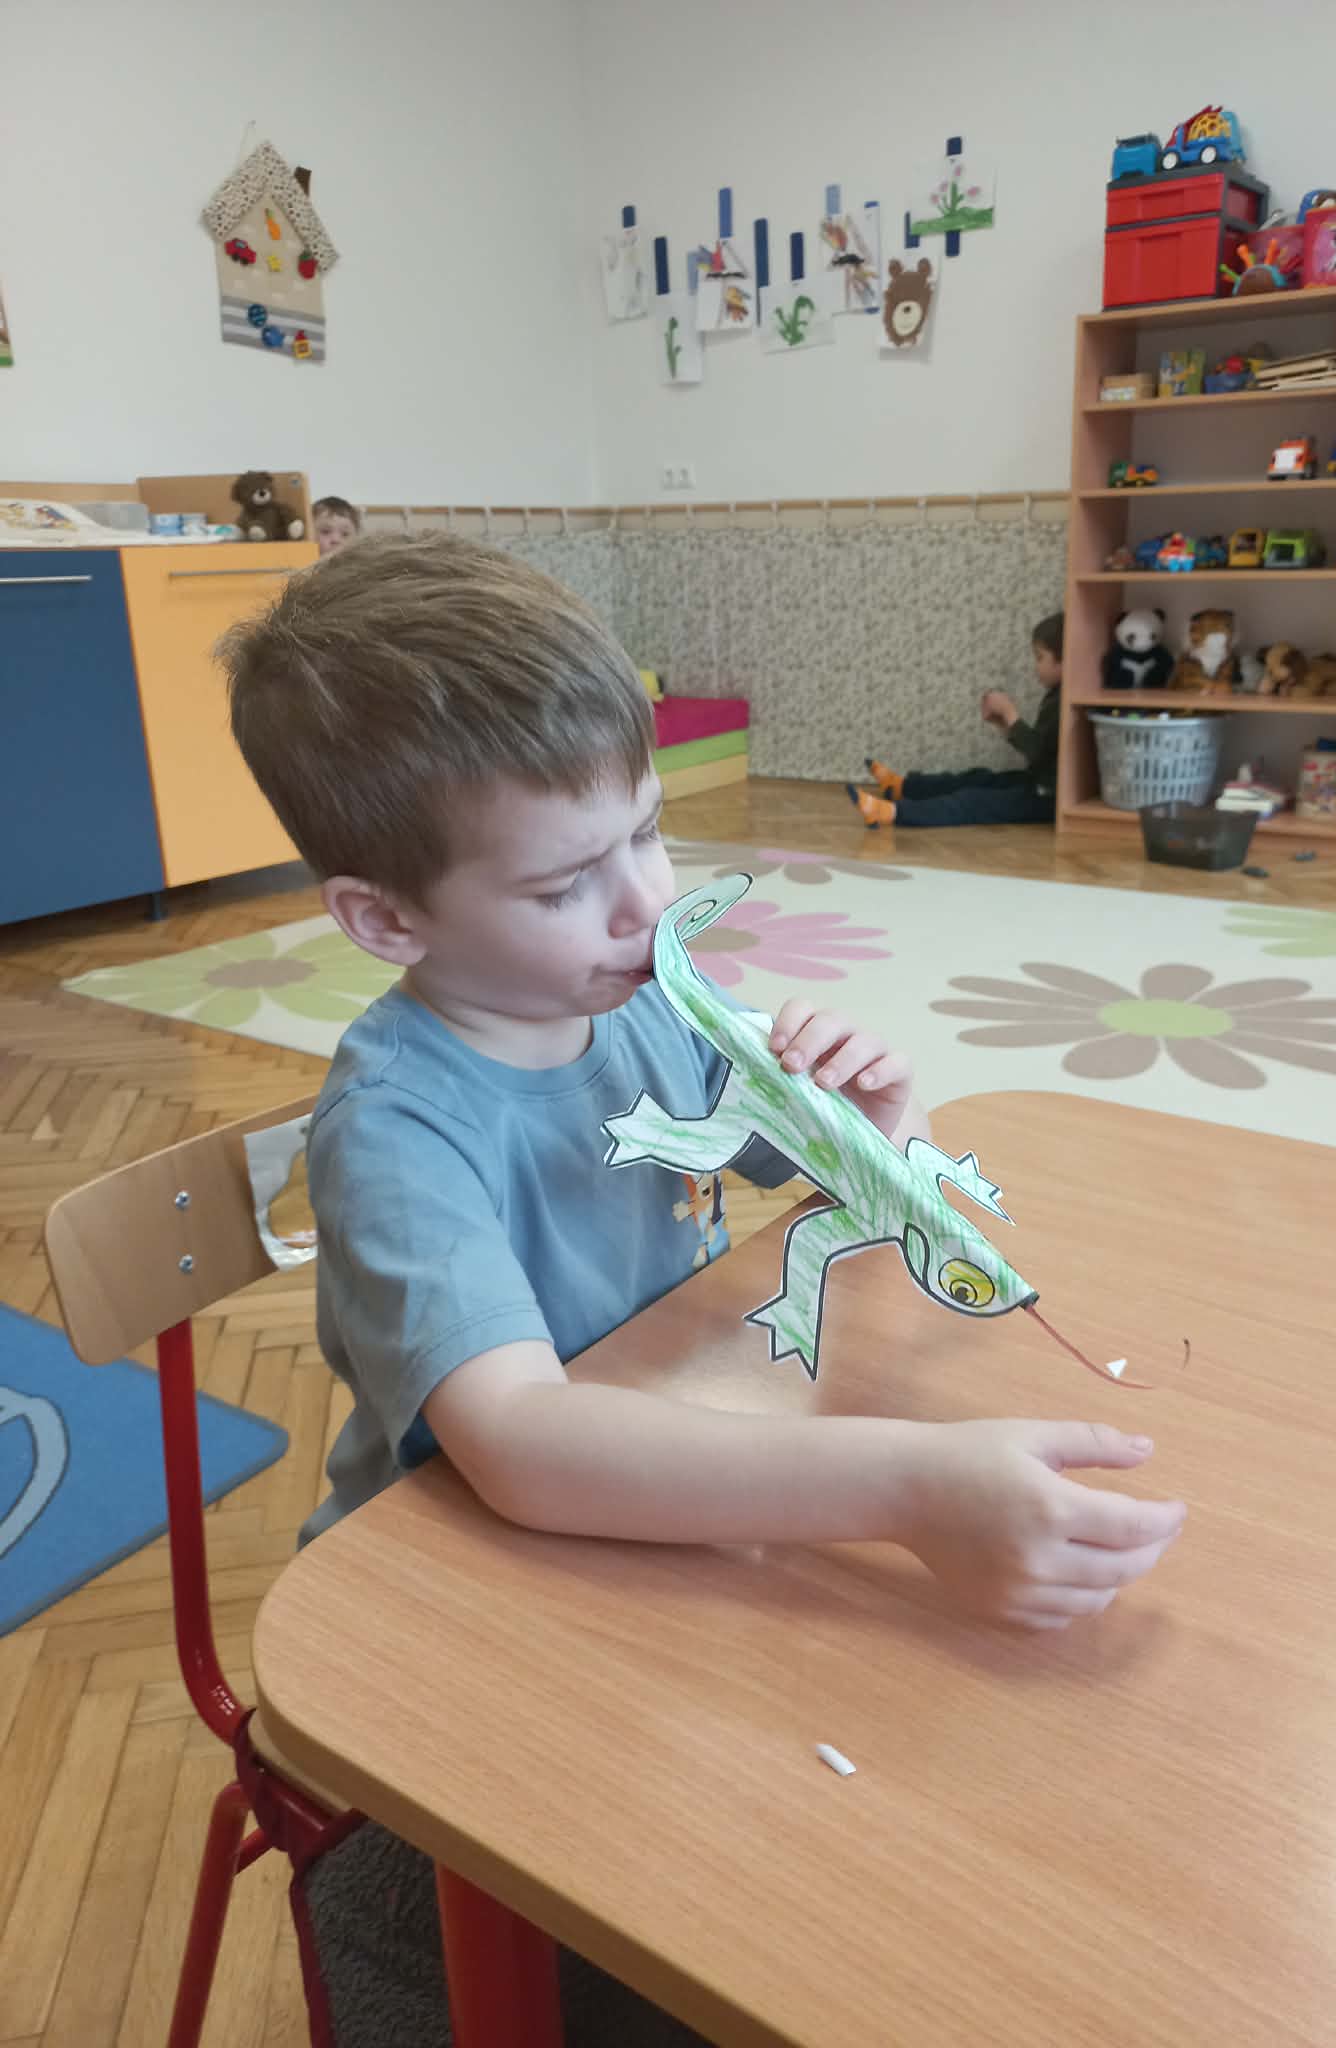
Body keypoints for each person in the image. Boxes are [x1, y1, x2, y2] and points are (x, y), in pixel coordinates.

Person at [222, 541, 1182, 2041]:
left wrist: (879, 1125)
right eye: (566, 882)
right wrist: (911, 1487)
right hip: (460, 1592)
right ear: (388, 920)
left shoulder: (646, 1002)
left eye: (650, 833)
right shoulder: (398, 1131)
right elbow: (523, 1447)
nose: (646, 906)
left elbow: (843, 1195)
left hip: (669, 1483)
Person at [848, 610, 1063, 828]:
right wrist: (1002, 723)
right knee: (977, 779)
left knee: (972, 801)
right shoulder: (1056, 696)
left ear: (1063, 661)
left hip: (1048, 797)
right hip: (1038, 782)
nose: (1035, 666)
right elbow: (1040, 751)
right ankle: (902, 787)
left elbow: (1037, 752)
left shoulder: (1062, 702)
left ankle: (892, 812)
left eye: (1040, 658)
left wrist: (1010, 714)